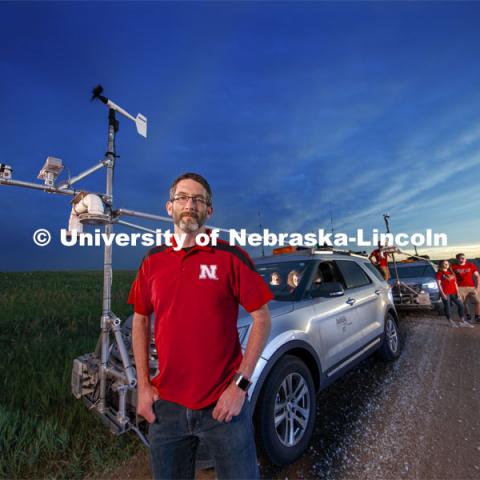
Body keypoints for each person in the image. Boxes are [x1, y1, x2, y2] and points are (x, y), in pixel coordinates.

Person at [128, 172, 273, 480]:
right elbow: (140, 319)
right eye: (182, 197)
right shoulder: (152, 261)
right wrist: (142, 385)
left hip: (224, 405)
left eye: (199, 199)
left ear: (210, 210)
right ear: (169, 207)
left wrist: (240, 387)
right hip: (166, 407)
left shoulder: (230, 256)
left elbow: (262, 317)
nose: (190, 205)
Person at [435, 260, 471, 328]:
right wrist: (442, 294)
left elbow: (455, 283)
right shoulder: (439, 273)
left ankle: (462, 321)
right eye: (444, 263)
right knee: (447, 307)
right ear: (441, 265)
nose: (446, 264)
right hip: (445, 293)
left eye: (447, 263)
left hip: (454, 292)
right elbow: (439, 285)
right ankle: (450, 321)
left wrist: (458, 292)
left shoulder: (450, 272)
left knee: (461, 305)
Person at [451, 253, 480, 323]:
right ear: (457, 259)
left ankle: (477, 316)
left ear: (465, 258)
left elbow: (477, 276)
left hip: (471, 287)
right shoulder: (453, 267)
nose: (462, 259)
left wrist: (478, 287)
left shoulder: (471, 266)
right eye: (460, 258)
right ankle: (468, 315)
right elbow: (450, 277)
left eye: (463, 258)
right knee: (463, 303)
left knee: (478, 301)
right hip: (460, 288)